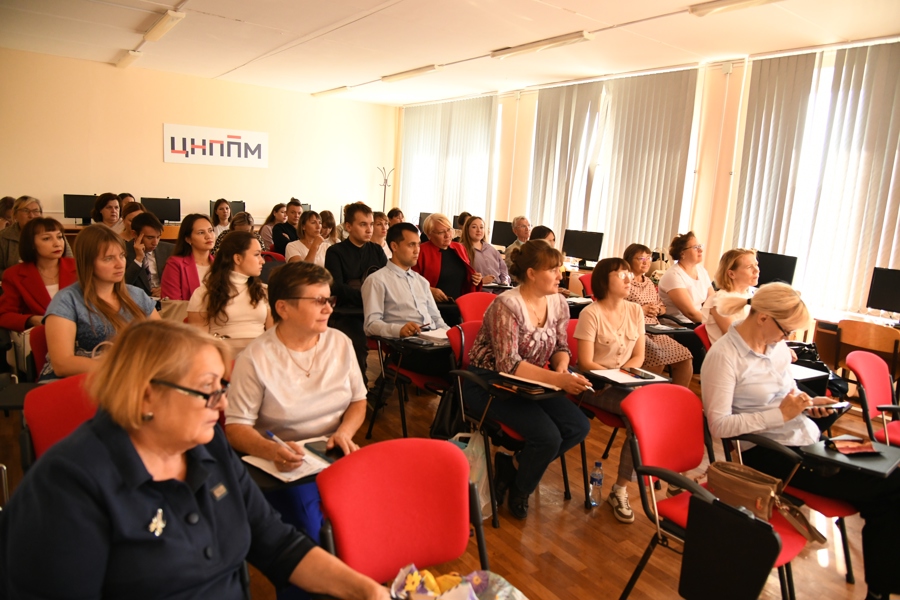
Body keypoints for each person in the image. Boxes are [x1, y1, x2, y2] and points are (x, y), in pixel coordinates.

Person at [0, 319, 389, 600]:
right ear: (146, 393)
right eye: (208, 390)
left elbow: (276, 543)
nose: (221, 405)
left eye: (223, 387)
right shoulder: (67, 486)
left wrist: (366, 591)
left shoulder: (208, 447)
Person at [702, 283, 900, 600]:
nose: (789, 337)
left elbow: (787, 394)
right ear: (764, 318)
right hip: (766, 455)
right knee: (889, 491)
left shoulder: (776, 347)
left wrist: (808, 402)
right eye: (787, 329)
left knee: (893, 479)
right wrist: (780, 415)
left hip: (803, 438)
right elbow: (719, 425)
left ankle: (881, 586)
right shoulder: (724, 357)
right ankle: (879, 591)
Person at [226, 262, 368, 564]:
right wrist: (271, 449)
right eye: (317, 300)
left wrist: (344, 432)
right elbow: (236, 428)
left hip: (333, 451)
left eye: (329, 300)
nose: (327, 308)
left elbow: (358, 401)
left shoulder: (339, 343)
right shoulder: (256, 358)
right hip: (284, 465)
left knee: (367, 526)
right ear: (284, 308)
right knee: (314, 539)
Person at [464, 240, 591, 519]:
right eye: (553, 270)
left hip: (531, 381)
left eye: (560, 269)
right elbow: (508, 364)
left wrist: (561, 370)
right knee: (547, 437)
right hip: (488, 382)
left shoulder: (558, 302)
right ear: (532, 273)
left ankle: (514, 467)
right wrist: (558, 382)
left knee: (578, 426)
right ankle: (522, 489)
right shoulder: (506, 305)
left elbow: (561, 347)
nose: (561, 275)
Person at [574, 258, 648, 523]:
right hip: (595, 385)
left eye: (629, 273)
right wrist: (614, 378)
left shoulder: (635, 311)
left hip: (624, 382)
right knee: (640, 415)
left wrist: (624, 376)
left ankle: (621, 488)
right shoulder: (590, 313)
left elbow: (639, 355)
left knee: (650, 409)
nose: (629, 279)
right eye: (621, 274)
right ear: (605, 281)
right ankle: (622, 488)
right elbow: (585, 363)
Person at [43, 225, 159, 379]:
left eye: (122, 255)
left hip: (130, 376)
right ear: (88, 263)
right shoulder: (67, 300)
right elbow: (62, 364)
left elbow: (161, 339)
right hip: (79, 380)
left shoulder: (136, 295)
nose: (120, 264)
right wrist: (123, 368)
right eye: (109, 258)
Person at [362, 222, 449, 376]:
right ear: (394, 246)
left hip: (433, 344)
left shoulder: (421, 282)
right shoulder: (377, 280)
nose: (417, 251)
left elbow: (436, 318)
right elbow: (370, 325)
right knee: (460, 369)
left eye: (418, 245)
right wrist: (399, 330)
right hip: (406, 348)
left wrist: (453, 335)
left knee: (470, 359)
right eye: (411, 245)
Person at [325, 203, 387, 382]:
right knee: (357, 344)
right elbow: (336, 286)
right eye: (363, 224)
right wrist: (368, 297)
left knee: (408, 338)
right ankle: (359, 390)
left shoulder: (376, 250)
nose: (369, 229)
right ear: (349, 227)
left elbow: (388, 280)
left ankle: (387, 384)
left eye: (371, 224)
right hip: (348, 312)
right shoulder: (335, 252)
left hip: (377, 311)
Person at [188, 231, 271, 353]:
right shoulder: (204, 293)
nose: (262, 261)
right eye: (257, 255)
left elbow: (273, 335)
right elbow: (200, 344)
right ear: (238, 258)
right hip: (223, 358)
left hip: (259, 358)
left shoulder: (264, 291)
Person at [623, 243, 693, 387]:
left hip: (656, 329)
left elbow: (662, 306)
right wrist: (642, 309)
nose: (646, 262)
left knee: (685, 357)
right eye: (641, 258)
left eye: (648, 258)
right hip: (635, 330)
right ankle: (644, 396)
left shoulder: (648, 282)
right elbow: (616, 307)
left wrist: (658, 310)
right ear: (629, 260)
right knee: (658, 358)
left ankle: (677, 398)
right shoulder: (624, 282)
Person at [0, 218, 77, 332]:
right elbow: (4, 315)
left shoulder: (80, 267)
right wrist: (32, 320)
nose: (57, 243)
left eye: (60, 237)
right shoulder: (14, 275)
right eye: (47, 238)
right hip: (41, 336)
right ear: (31, 244)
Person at [412, 213, 482, 327]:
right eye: (441, 232)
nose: (447, 235)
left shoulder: (459, 248)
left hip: (457, 307)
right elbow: (411, 281)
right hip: (432, 308)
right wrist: (429, 290)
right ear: (429, 235)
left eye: (449, 230)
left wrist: (475, 279)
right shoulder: (421, 251)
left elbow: (466, 277)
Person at [0, 196, 72, 277]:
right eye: (25, 211)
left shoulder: (54, 232)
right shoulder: (4, 236)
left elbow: (69, 260)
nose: (31, 215)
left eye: (36, 211)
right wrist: (15, 276)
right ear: (15, 214)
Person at [702, 248, 759, 345]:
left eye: (756, 265)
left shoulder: (748, 297)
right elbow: (737, 338)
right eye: (749, 267)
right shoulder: (720, 300)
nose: (756, 270)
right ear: (731, 274)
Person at [657, 231, 714, 323]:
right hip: (681, 326)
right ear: (682, 253)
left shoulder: (701, 270)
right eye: (695, 247)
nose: (701, 250)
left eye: (700, 246)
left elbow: (712, 302)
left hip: (699, 322)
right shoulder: (673, 275)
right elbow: (690, 313)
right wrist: (714, 325)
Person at [160, 214, 215, 301]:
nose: (208, 236)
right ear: (188, 239)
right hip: (186, 314)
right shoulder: (175, 264)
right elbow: (173, 305)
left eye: (211, 230)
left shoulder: (220, 264)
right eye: (201, 232)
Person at [125, 212, 174, 298]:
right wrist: (138, 259)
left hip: (165, 300)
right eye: (150, 238)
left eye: (158, 237)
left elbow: (182, 280)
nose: (155, 243)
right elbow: (122, 285)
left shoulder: (170, 249)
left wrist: (167, 289)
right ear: (134, 234)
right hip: (137, 302)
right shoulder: (123, 251)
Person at [460, 215, 510, 286]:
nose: (479, 230)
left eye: (481, 227)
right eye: (474, 227)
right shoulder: (462, 250)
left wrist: (505, 281)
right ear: (467, 229)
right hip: (478, 291)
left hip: (498, 290)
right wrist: (481, 281)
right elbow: (460, 277)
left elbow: (503, 270)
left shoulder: (492, 249)